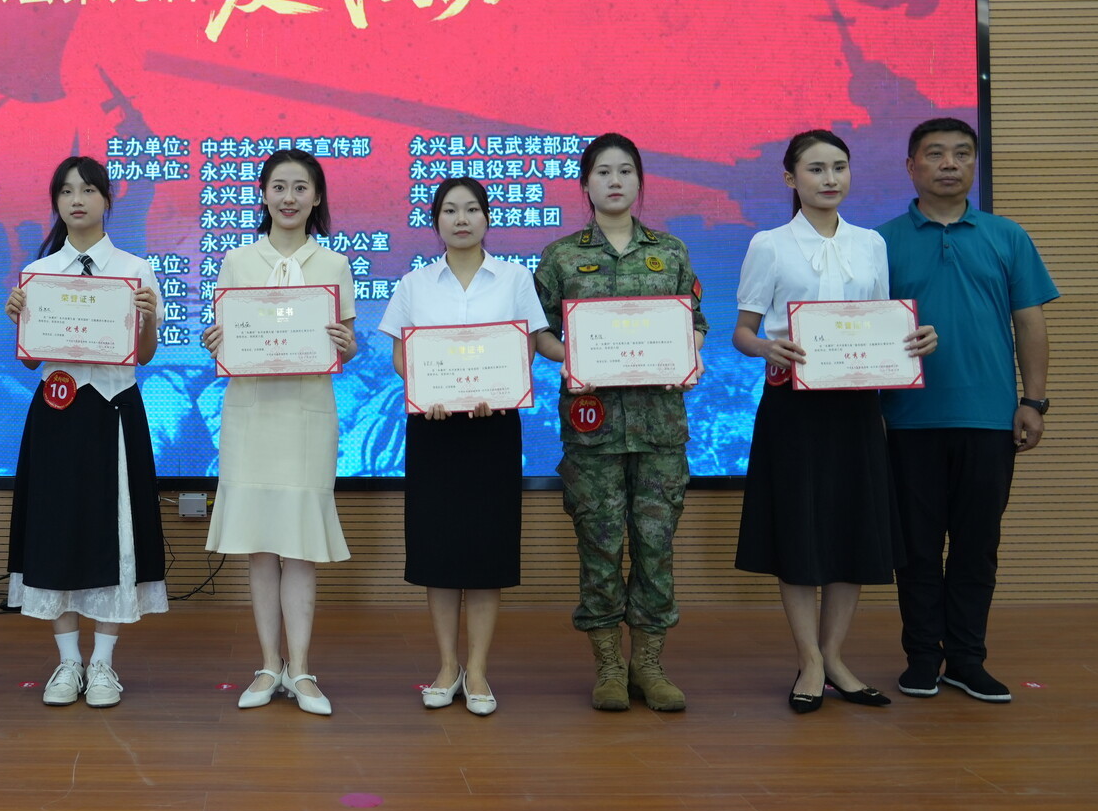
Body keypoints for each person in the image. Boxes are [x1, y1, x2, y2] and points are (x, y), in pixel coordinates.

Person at [732, 129, 937, 713]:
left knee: (853, 529)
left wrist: (914, 340)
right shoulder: (769, 244)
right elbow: (743, 331)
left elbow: (881, 321)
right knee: (800, 531)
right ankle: (810, 662)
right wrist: (765, 348)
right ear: (790, 178)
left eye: (839, 167)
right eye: (816, 168)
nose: (830, 178)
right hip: (793, 406)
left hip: (856, 404)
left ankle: (836, 657)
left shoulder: (871, 243)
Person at [878, 118, 1057, 702]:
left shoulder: (1008, 236)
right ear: (911, 167)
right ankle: (922, 658)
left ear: (975, 165)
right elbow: (862, 330)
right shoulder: (880, 243)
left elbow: (1029, 321)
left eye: (961, 153)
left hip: (990, 417)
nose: (949, 164)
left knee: (977, 546)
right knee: (918, 549)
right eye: (935, 154)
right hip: (908, 420)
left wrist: (1032, 400)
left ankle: (967, 659)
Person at [534, 135, 707, 712]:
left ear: (639, 181)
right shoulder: (560, 257)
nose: (615, 181)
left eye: (626, 171)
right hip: (594, 429)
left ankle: (649, 664)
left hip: (660, 429)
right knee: (600, 545)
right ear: (584, 184)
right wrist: (574, 357)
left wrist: (691, 356)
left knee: (656, 547)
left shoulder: (671, 251)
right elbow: (538, 332)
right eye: (603, 172)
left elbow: (695, 322)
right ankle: (609, 664)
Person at [4, 158, 168, 708]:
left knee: (115, 532)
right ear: (56, 202)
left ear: (106, 200)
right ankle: (68, 662)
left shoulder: (135, 270)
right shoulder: (39, 272)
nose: (77, 200)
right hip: (56, 413)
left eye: (89, 190)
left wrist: (146, 318)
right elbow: (30, 361)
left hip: (114, 410)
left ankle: (102, 664)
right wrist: (20, 319)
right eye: (67, 191)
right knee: (57, 531)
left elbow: (144, 355)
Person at [382, 177, 550, 716]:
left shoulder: (515, 278)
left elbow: (524, 349)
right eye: (450, 210)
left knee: (484, 550)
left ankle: (477, 669)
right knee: (439, 551)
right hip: (433, 429)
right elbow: (402, 355)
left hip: (492, 427)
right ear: (435, 221)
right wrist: (426, 391)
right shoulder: (414, 283)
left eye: (472, 209)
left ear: (487, 218)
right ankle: (446, 666)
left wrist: (495, 390)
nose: (461, 219)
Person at [202, 149, 358, 716]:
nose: (289, 197)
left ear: (317, 198)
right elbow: (224, 339)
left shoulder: (334, 265)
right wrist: (217, 343)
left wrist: (347, 345)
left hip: (306, 416)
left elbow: (345, 346)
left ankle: (303, 669)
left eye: (300, 187)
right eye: (279, 187)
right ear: (264, 195)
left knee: (300, 544)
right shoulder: (237, 261)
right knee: (261, 544)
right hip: (251, 416)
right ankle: (269, 665)